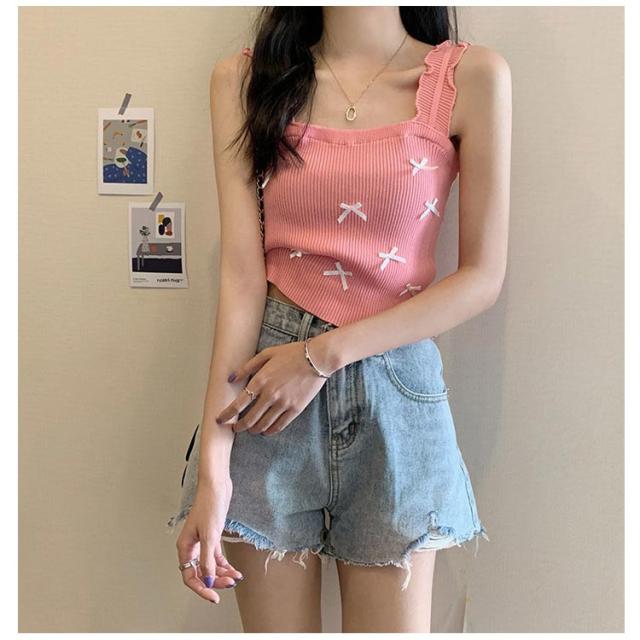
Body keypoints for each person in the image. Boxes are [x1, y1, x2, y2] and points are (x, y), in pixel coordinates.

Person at [166, 6, 511, 633]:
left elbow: (482, 277)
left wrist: (321, 355)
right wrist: (214, 470)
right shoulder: (244, 81)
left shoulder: (470, 78)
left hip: (397, 393)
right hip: (266, 396)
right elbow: (241, 279)